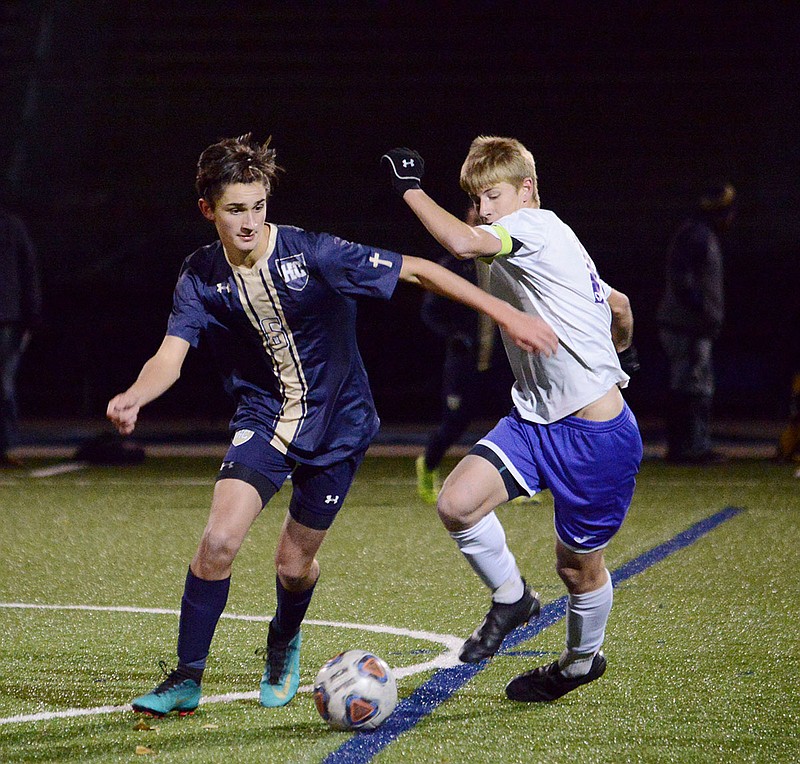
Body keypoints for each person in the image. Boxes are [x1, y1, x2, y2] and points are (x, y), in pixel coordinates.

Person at [107, 133, 558, 717]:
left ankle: (282, 643)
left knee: (293, 566)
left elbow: (419, 271)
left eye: (257, 206)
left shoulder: (314, 253)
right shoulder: (199, 275)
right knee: (218, 542)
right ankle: (186, 679)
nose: (248, 222)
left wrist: (505, 313)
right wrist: (136, 394)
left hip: (340, 426)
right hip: (265, 419)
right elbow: (171, 353)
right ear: (208, 210)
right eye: (234, 210)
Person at [382, 137, 642, 702]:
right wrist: (623, 350)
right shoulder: (536, 243)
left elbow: (457, 238)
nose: (484, 210)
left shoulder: (534, 227)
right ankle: (512, 598)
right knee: (455, 503)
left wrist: (408, 188)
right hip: (532, 421)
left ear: (527, 189)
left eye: (493, 195)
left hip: (595, 438)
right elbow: (619, 304)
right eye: (476, 199)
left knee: (577, 569)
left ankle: (578, 663)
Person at [415, 206, 521, 504]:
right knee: (455, 423)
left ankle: (517, 484)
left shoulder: (506, 262)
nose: (482, 222)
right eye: (475, 219)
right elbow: (430, 312)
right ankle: (428, 465)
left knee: (515, 421)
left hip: (501, 363)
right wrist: (456, 336)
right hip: (465, 363)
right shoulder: (453, 266)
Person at [656, 182, 736, 464]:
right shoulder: (696, 236)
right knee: (691, 386)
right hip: (687, 327)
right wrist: (701, 313)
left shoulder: (698, 234)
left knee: (692, 384)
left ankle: (689, 445)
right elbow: (683, 281)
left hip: (689, 325)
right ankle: (689, 447)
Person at [0, 204, 42, 468]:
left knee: (3, 384)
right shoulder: (12, 224)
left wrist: (32, 314)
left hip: (6, 317)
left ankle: (3, 447)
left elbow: (28, 269)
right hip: (9, 316)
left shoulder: (10, 225)